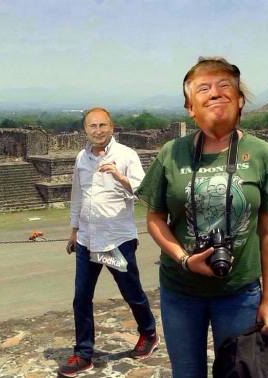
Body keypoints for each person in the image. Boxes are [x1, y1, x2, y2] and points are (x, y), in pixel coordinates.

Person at [136, 57, 268, 377]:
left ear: (240, 100)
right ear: (190, 108)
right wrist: (184, 259)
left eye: (224, 86)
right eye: (203, 88)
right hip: (180, 290)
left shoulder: (261, 153)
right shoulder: (171, 153)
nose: (215, 93)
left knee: (238, 372)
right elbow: (155, 219)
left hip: (238, 291)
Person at [59, 107, 158, 377]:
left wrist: (119, 176)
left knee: (131, 292)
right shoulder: (82, 158)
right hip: (87, 241)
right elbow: (78, 195)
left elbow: (144, 192)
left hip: (115, 242)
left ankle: (149, 333)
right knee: (81, 298)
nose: (98, 130)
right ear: (85, 130)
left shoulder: (126, 155)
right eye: (92, 126)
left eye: (103, 125)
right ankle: (83, 354)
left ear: (112, 127)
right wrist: (74, 230)